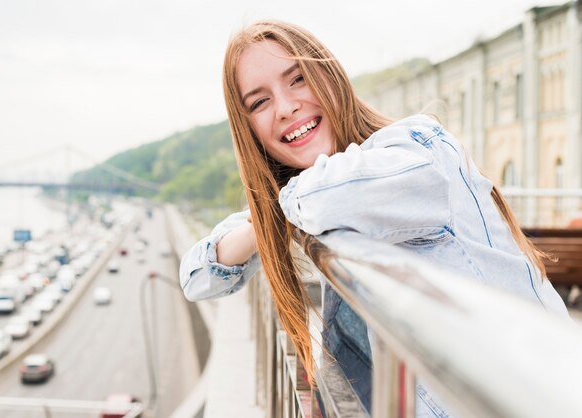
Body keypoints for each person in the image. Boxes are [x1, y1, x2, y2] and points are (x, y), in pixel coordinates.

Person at [179, 20, 569, 416]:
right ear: (249, 130)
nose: (285, 107)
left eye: (298, 79)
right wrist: (265, 217)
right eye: (259, 103)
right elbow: (198, 277)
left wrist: (271, 208)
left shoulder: (416, 149)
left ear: (330, 75)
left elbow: (324, 198)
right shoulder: (313, 196)